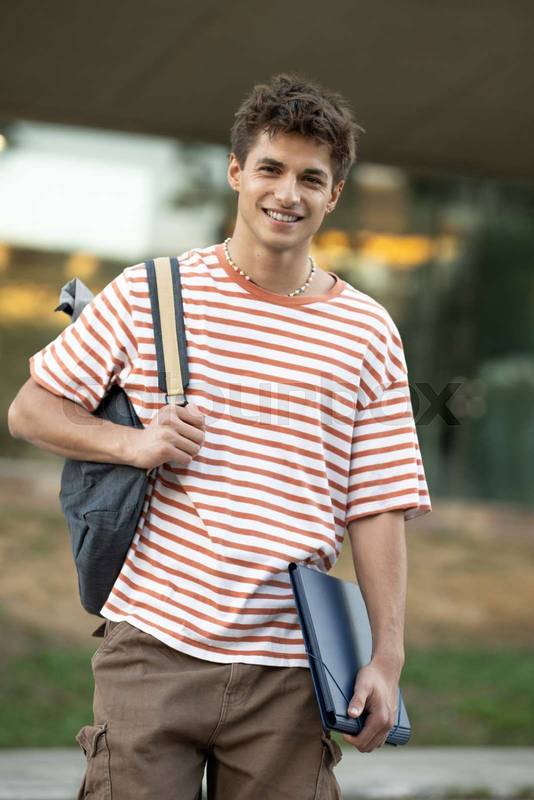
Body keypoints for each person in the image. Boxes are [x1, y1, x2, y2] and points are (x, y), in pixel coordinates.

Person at [8, 73, 431, 800]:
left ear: (333, 195)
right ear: (237, 172)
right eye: (270, 168)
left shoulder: (367, 332)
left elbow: (379, 504)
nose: (286, 194)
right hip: (153, 648)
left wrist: (385, 658)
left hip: (292, 666)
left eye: (310, 178)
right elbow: (31, 409)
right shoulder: (151, 294)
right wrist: (133, 445)